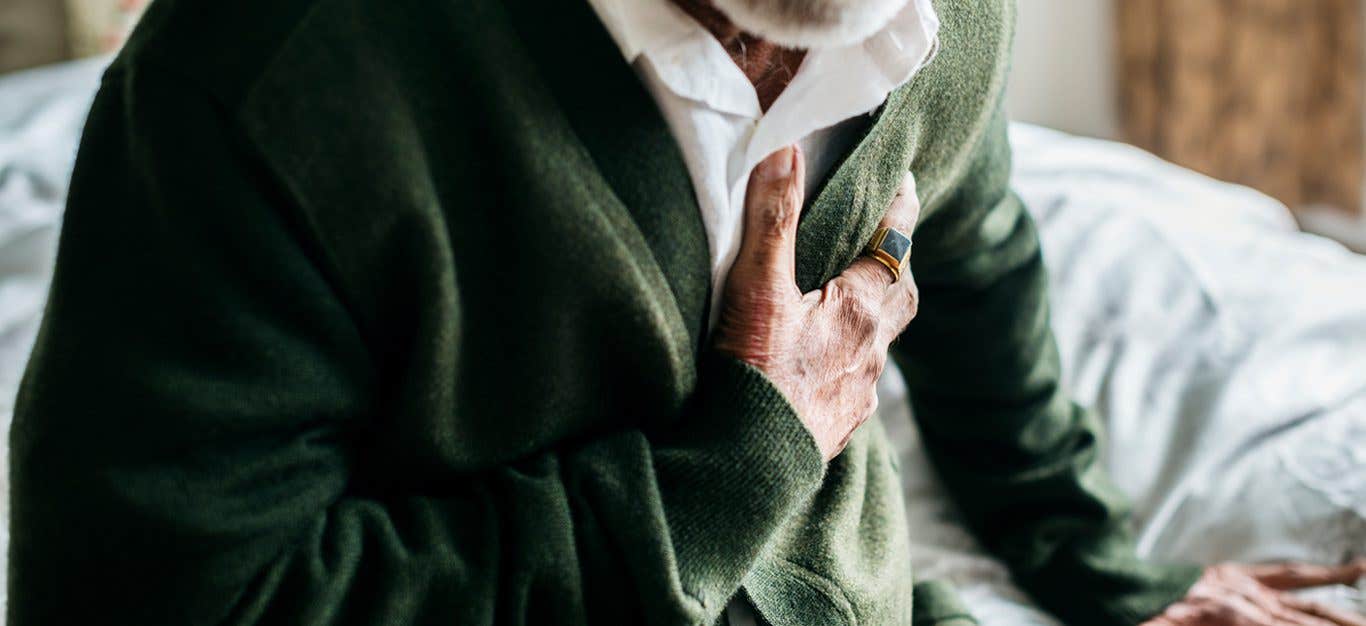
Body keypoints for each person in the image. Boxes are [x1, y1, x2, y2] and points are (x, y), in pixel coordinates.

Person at [8, 0, 1364, 624]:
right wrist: (725, 474)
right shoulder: (263, 80)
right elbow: (161, 599)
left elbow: (979, 253)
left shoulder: (953, 24)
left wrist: (1098, 577)